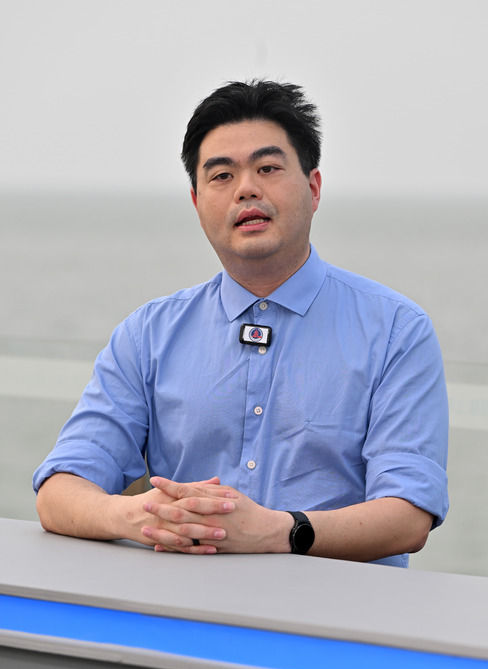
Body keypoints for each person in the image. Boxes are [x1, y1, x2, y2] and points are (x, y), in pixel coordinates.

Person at [34, 80, 448, 566]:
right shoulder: (148, 335)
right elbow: (59, 492)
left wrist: (280, 530)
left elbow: (409, 514)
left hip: (337, 609)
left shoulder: (396, 330)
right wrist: (144, 516)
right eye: (222, 175)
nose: (246, 188)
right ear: (196, 203)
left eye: (267, 168)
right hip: (177, 606)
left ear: (313, 188)